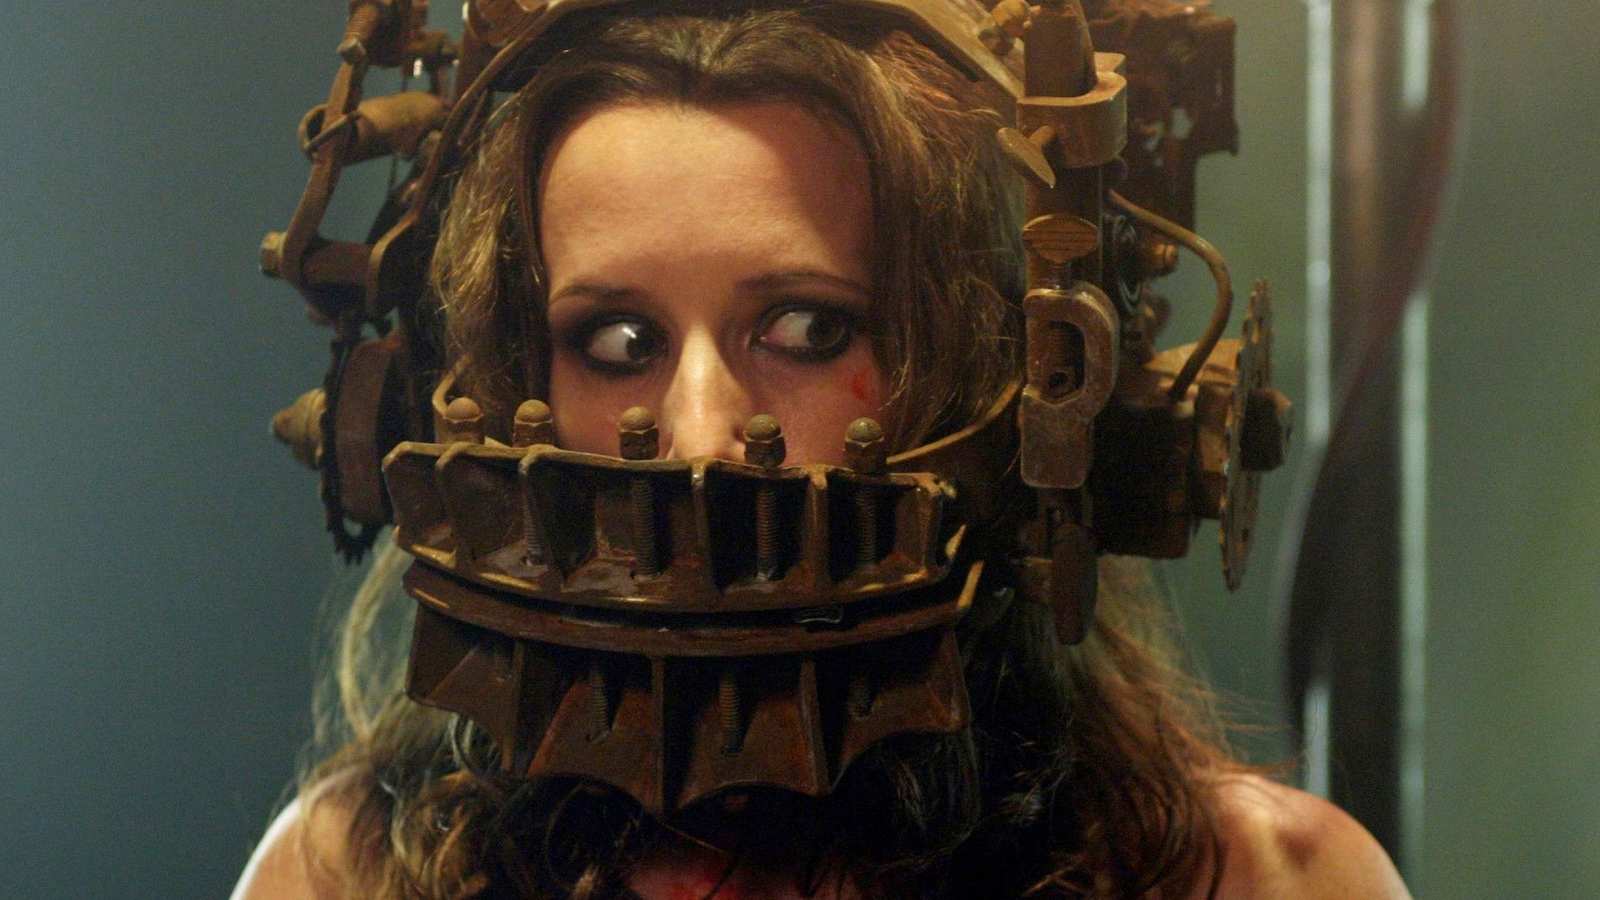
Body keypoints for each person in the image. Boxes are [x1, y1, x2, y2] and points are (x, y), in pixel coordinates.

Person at [236, 2, 1410, 897]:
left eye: (807, 329)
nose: (700, 432)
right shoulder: (343, 879)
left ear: (1001, 373)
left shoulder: (1263, 882)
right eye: (618, 342)